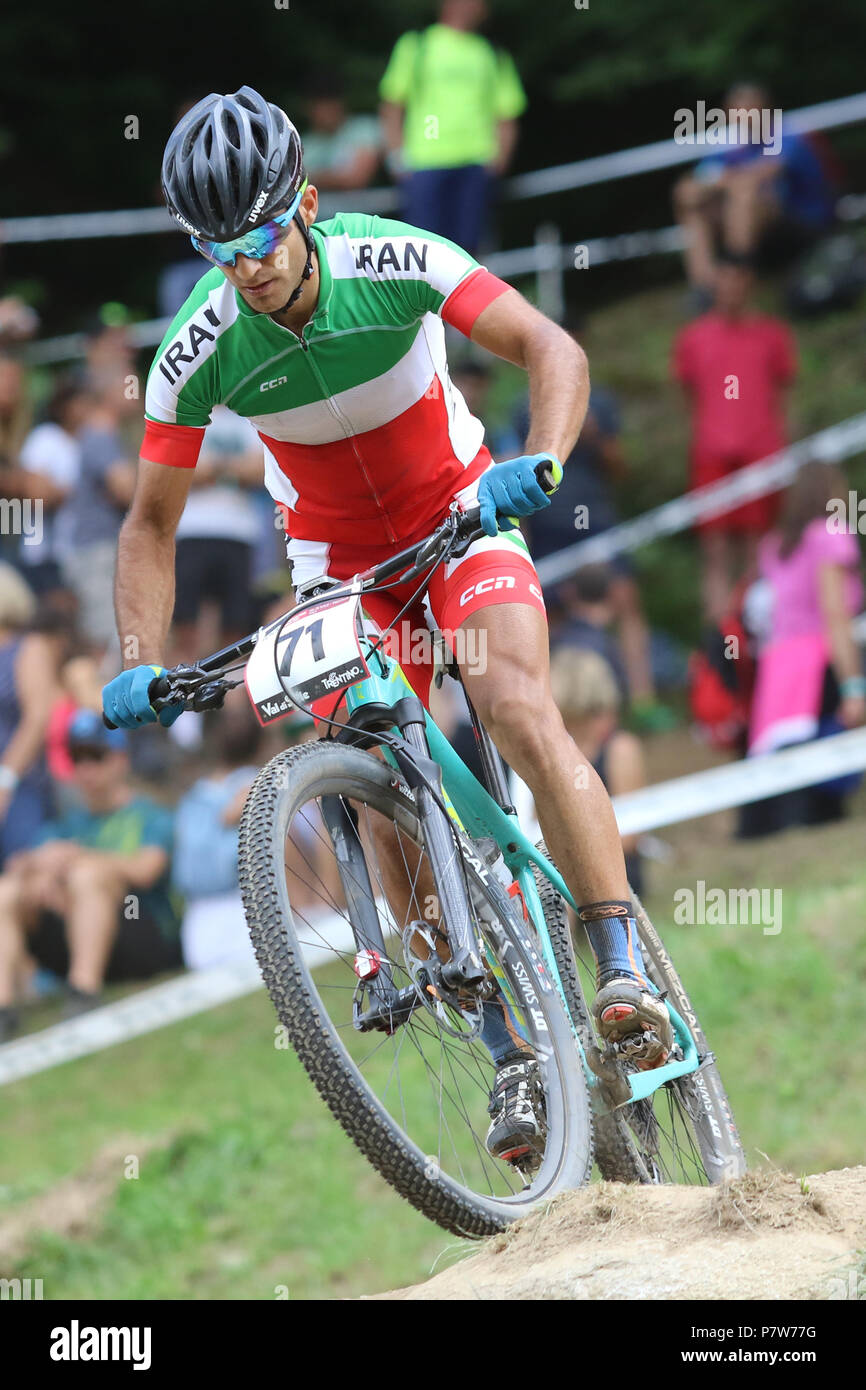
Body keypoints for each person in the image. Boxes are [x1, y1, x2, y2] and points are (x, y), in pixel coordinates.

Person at [102, 86, 673, 1162]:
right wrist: (140, 660)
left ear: (307, 204)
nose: (249, 265)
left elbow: (550, 348)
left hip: (460, 520)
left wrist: (537, 461)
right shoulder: (197, 347)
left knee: (510, 702)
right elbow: (149, 524)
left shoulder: (390, 257)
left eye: (265, 234)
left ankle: (619, 961)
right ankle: (505, 1044)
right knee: (372, 783)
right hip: (341, 574)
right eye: (218, 249)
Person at [0, 709, 181, 1039]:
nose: (85, 769)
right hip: (74, 932)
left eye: (95, 756)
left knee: (87, 875)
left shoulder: (149, 814)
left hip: (141, 930)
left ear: (120, 759)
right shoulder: (64, 826)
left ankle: (85, 991)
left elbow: (146, 870)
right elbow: (18, 870)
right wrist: (40, 869)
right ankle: (4, 1008)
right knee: (9, 890)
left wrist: (77, 860)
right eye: (76, 758)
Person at [740, 460, 864, 836]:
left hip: (779, 661)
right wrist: (853, 685)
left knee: (786, 744)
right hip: (819, 659)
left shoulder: (774, 544)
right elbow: (834, 612)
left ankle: (784, 822)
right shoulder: (830, 533)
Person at [672, 251, 798, 621]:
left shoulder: (772, 334)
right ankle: (721, 642)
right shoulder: (694, 338)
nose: (729, 289)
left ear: (749, 284)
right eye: (723, 280)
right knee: (715, 550)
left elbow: (785, 395)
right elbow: (687, 396)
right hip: (712, 452)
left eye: (737, 280)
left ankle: (756, 631)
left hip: (762, 450)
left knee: (758, 545)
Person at [379, 0, 526, 255]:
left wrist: (498, 161)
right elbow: (392, 105)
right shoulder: (417, 45)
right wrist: (396, 158)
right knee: (421, 254)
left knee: (471, 255)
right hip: (424, 165)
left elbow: (507, 113)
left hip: (475, 165)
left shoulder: (491, 53)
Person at [673, 83, 835, 299]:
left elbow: (761, 175)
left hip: (804, 221)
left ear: (765, 108)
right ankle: (706, 288)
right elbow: (693, 186)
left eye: (749, 109)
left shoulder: (787, 133)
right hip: (756, 223)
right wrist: (715, 183)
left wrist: (721, 180)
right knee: (692, 202)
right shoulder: (729, 142)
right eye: (736, 111)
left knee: (744, 196)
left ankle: (737, 275)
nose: (742, 116)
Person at [549, 647, 647, 897]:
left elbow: (630, 836)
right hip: (559, 869)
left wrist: (573, 853)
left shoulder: (620, 749)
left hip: (616, 876)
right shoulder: (552, 748)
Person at [173, 702, 261, 970]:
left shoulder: (266, 780)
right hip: (204, 923)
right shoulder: (192, 800)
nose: (233, 726)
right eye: (227, 719)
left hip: (259, 904)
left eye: (240, 718)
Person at [59, 378, 137, 651]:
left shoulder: (106, 436)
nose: (138, 390)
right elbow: (127, 489)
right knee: (106, 643)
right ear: (110, 393)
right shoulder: (100, 435)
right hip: (97, 552)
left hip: (99, 551)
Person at [0, 563, 57, 869]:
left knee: (19, 870)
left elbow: (37, 717)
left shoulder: (28, 647)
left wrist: (5, 778)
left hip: (19, 783)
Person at [301, 72, 382, 193]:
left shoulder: (364, 129)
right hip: (315, 210)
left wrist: (313, 177)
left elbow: (357, 179)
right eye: (320, 105)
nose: (326, 112)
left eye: (330, 103)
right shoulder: (301, 143)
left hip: (363, 209)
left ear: (341, 103)